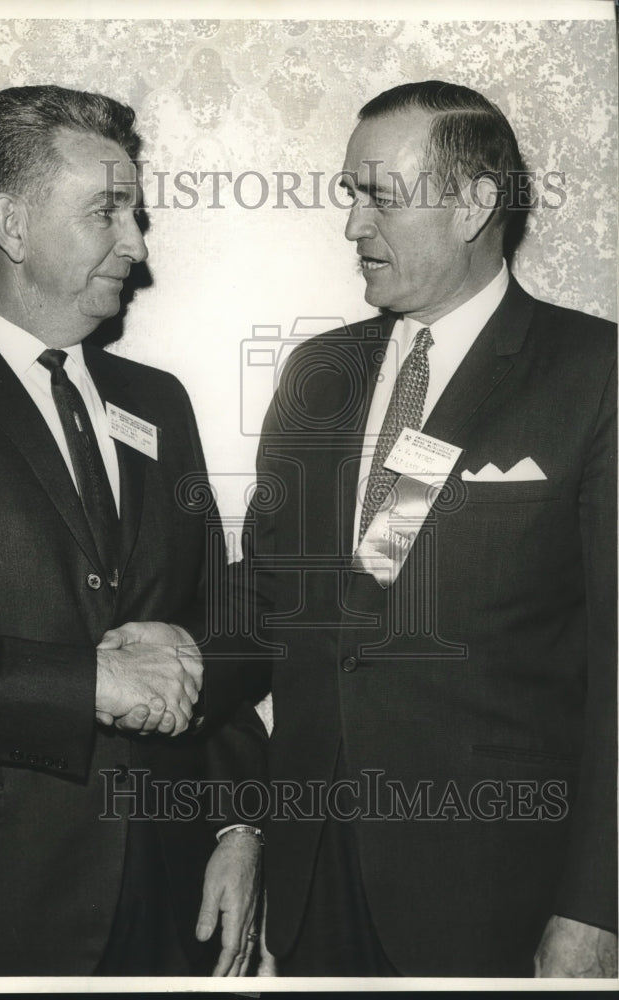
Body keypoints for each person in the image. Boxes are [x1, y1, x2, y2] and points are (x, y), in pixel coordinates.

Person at [0, 84, 265, 977]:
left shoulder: (161, 403)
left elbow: (221, 628)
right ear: (12, 224)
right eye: (107, 211)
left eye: (137, 212)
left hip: (168, 900)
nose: (138, 244)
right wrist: (88, 683)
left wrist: (238, 821)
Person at [242, 80, 617, 977]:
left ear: (475, 203)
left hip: (496, 891)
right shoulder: (318, 371)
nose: (352, 227)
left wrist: (596, 908)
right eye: (350, 196)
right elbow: (265, 599)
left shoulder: (596, 373)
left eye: (379, 195)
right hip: (313, 883)